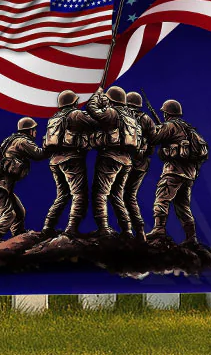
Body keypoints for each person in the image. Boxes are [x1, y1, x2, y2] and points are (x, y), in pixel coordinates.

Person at [146, 99, 209, 245]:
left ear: (167, 113)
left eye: (164, 113)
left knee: (162, 198)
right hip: (189, 174)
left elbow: (154, 138)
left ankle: (159, 229)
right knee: (183, 206)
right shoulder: (188, 128)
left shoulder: (170, 125)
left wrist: (155, 128)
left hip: (174, 171)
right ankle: (191, 237)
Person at [0, 117, 49, 243]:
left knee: (19, 212)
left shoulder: (10, 140)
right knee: (9, 214)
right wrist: (50, 144)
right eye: (34, 130)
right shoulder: (22, 141)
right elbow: (39, 154)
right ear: (29, 130)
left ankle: (18, 235)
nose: (36, 132)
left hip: (2, 187)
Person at [86, 85, 144, 237]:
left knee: (100, 193)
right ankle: (127, 230)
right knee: (116, 195)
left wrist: (96, 97)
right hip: (126, 161)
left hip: (109, 157)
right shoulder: (130, 117)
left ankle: (104, 228)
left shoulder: (112, 113)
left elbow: (92, 110)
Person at [41, 89, 95, 238]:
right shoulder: (75, 114)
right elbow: (94, 122)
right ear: (73, 102)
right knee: (79, 195)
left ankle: (48, 226)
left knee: (62, 195)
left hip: (54, 161)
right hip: (71, 159)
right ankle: (71, 229)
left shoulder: (53, 119)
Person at [120, 91, 157, 241]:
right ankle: (139, 232)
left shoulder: (123, 117)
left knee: (119, 196)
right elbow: (154, 141)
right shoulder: (147, 119)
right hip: (142, 163)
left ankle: (127, 231)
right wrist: (144, 152)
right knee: (129, 197)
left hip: (125, 162)